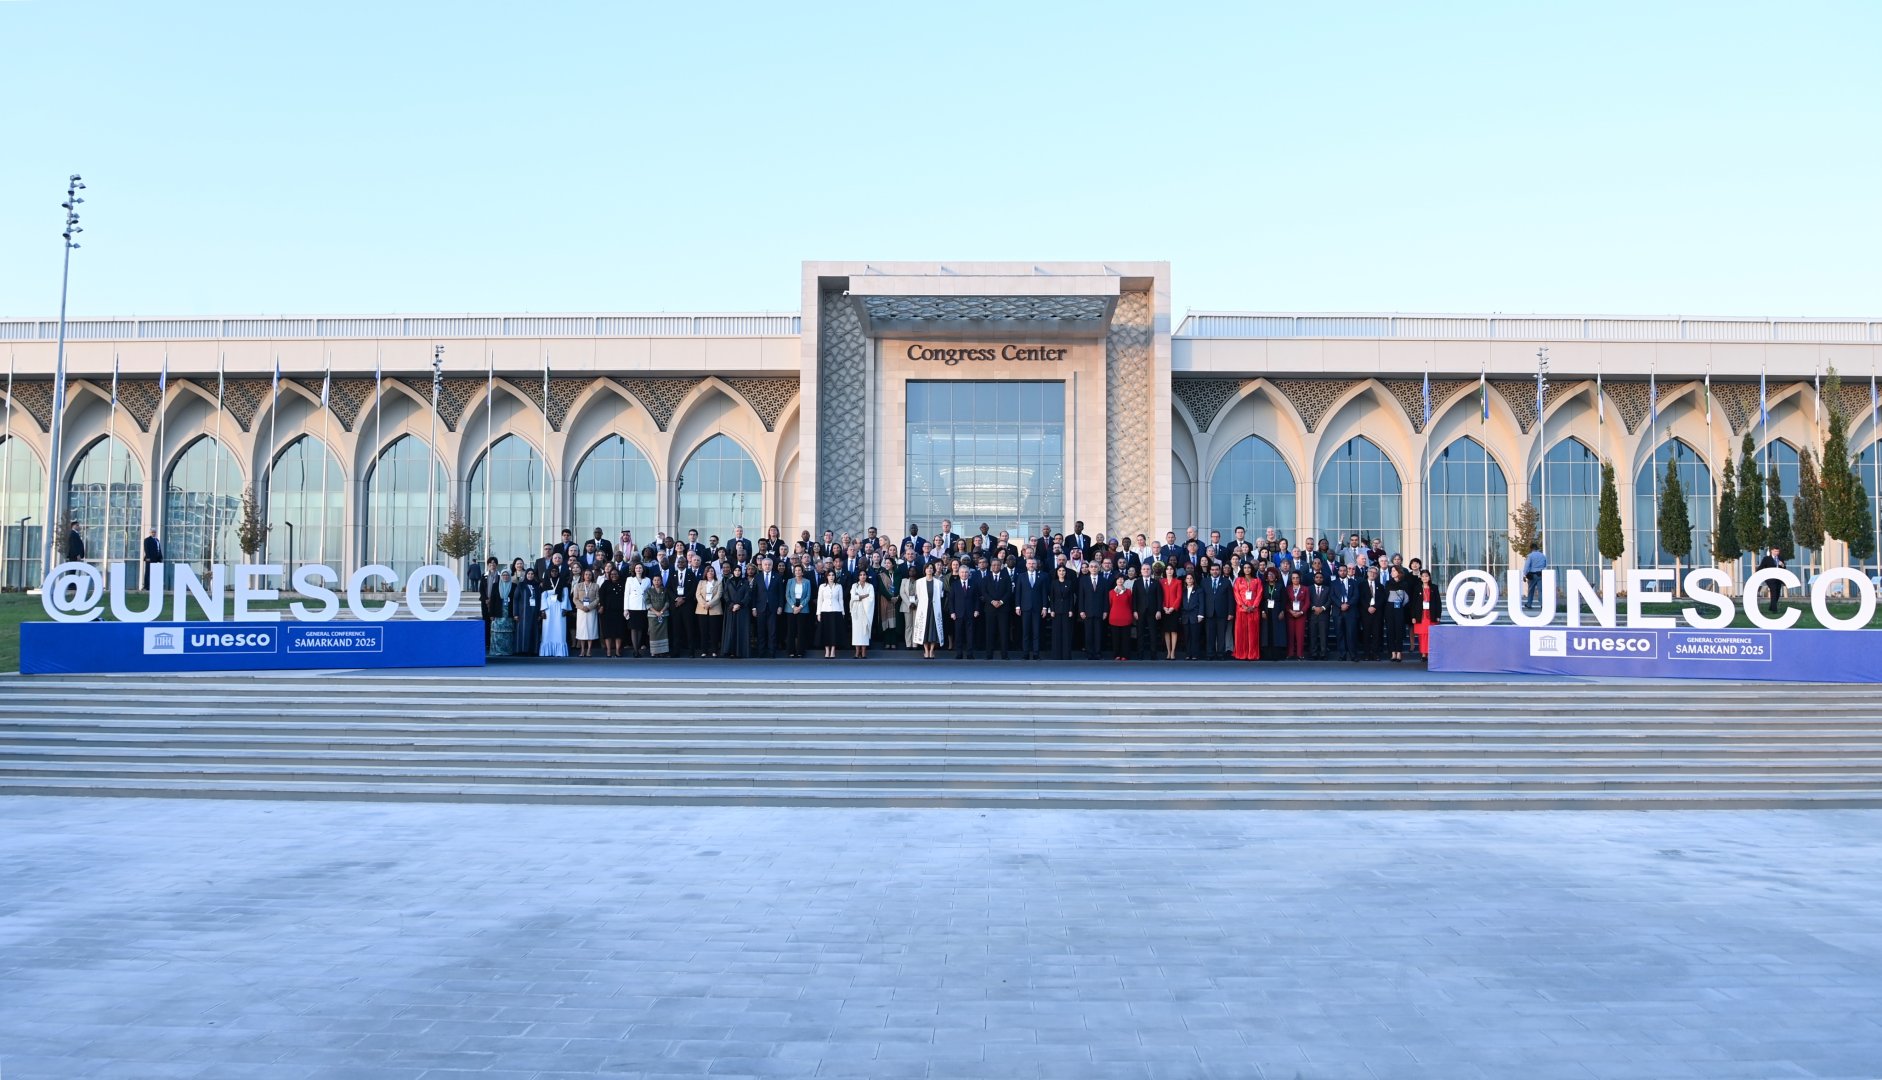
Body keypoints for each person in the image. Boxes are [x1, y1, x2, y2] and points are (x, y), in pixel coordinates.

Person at [909, 561, 943, 659]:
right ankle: (926, 650)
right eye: (928, 568)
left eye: (931, 568)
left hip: (934, 609)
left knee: (933, 629)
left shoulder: (938, 583)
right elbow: (917, 595)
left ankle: (931, 651)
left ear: (933, 570)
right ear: (925, 570)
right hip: (923, 609)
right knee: (924, 629)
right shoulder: (919, 582)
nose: (929, 570)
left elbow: (940, 596)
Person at [946, 564, 978, 659]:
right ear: (959, 574)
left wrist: (976, 610)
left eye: (966, 572)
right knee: (958, 634)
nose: (964, 574)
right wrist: (952, 612)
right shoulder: (954, 584)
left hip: (970, 613)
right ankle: (959, 653)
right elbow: (951, 600)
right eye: (962, 572)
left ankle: (970, 653)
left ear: (969, 573)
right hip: (958, 614)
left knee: (970, 634)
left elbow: (976, 599)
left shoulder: (973, 583)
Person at [753, 558, 783, 659]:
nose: (767, 566)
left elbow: (781, 594)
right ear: (762, 565)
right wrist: (753, 608)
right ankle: (761, 652)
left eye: (769, 565)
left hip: (773, 608)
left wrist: (780, 606)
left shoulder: (777, 577)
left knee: (772, 631)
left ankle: (771, 653)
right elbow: (754, 593)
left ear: (772, 565)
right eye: (765, 564)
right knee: (761, 631)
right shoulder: (757, 577)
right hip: (760, 608)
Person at [721, 564, 753, 659]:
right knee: (731, 630)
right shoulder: (729, 581)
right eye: (735, 570)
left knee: (741, 630)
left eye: (739, 570)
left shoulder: (745, 582)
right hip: (731, 610)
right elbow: (725, 595)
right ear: (732, 572)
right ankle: (730, 651)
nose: (737, 572)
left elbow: (748, 595)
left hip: (742, 610)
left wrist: (740, 605)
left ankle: (741, 652)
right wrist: (732, 605)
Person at [1232, 567, 1262, 661]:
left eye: (1249, 568)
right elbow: (1236, 594)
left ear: (1252, 569)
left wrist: (1254, 606)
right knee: (1240, 633)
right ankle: (1241, 654)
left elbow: (1259, 594)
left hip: (1254, 610)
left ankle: (1252, 654)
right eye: (1245, 568)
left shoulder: (1257, 581)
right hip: (1241, 610)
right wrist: (1243, 606)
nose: (1247, 569)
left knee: (1253, 633)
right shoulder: (1238, 580)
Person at [1410, 568, 1440, 661]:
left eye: (1426, 576)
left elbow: (1438, 602)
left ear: (1429, 577)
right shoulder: (1417, 588)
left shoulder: (1434, 588)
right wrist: (1413, 616)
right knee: (1422, 635)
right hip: (1421, 615)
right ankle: (1423, 654)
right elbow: (1413, 603)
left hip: (1431, 614)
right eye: (1423, 576)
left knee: (1431, 635)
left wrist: (1438, 615)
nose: (1424, 578)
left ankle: (1430, 653)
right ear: (1420, 577)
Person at [511, 569, 542, 656]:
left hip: (534, 612)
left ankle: (532, 650)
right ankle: (521, 650)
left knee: (533, 630)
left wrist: (539, 613)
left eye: (532, 574)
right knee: (523, 630)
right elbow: (516, 599)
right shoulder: (521, 585)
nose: (530, 575)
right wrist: (515, 613)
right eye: (528, 574)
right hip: (523, 612)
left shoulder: (536, 586)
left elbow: (539, 600)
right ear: (526, 575)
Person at [785, 565, 814, 658]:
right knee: (791, 631)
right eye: (796, 570)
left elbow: (808, 596)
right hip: (791, 608)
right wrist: (794, 607)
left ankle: (800, 651)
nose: (797, 572)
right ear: (794, 571)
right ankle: (791, 651)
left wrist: (800, 607)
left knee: (801, 631)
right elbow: (787, 595)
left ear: (802, 572)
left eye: (799, 570)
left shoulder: (807, 582)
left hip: (803, 608)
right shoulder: (790, 581)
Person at [816, 570, 846, 659]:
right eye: (829, 575)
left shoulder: (839, 586)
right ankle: (827, 650)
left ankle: (833, 650)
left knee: (834, 631)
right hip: (825, 611)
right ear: (826, 576)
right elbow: (820, 600)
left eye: (833, 575)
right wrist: (818, 613)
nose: (831, 577)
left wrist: (843, 612)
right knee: (826, 631)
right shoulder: (822, 586)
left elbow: (841, 600)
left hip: (836, 611)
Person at [623, 563, 650, 657]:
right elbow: (626, 594)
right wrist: (625, 609)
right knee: (634, 629)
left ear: (643, 569)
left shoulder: (647, 580)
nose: (638, 569)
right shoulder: (629, 579)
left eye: (640, 568)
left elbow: (648, 593)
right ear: (634, 569)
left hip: (643, 607)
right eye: (637, 568)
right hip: (632, 607)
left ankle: (637, 648)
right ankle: (635, 650)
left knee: (640, 628)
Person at [570, 570, 600, 657]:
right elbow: (575, 599)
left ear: (592, 576)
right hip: (581, 610)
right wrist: (582, 607)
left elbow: (598, 598)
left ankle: (589, 650)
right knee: (582, 630)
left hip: (591, 610)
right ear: (583, 576)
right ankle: (582, 650)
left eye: (589, 575)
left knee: (591, 629)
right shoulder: (578, 586)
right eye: (586, 574)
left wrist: (589, 607)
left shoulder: (596, 586)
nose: (588, 576)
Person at [695, 565, 722, 658]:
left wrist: (709, 604)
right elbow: (698, 595)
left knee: (714, 631)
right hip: (702, 610)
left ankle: (714, 650)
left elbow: (719, 595)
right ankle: (704, 651)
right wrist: (704, 604)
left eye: (712, 571)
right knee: (703, 632)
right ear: (705, 573)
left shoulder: (718, 582)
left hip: (714, 610)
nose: (710, 572)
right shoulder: (701, 582)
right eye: (709, 571)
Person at [538, 578, 570, 658]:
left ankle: (560, 652)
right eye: (552, 571)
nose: (554, 572)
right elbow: (543, 597)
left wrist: (564, 608)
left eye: (556, 571)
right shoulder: (546, 583)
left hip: (559, 607)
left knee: (559, 629)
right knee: (547, 629)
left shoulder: (562, 582)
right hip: (548, 609)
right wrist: (543, 611)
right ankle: (547, 652)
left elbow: (565, 596)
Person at [1107, 572, 1135, 660]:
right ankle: (1117, 654)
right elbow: (1110, 605)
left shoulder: (1128, 592)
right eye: (1118, 579)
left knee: (1125, 638)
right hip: (1114, 618)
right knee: (1115, 638)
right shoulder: (1111, 592)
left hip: (1126, 618)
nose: (1120, 580)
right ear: (1116, 581)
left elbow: (1131, 604)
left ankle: (1125, 655)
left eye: (1122, 579)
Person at [487, 570, 515, 657]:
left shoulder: (514, 586)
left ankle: (507, 651)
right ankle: (496, 651)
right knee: (497, 633)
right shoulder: (496, 586)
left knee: (508, 633)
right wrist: (491, 614)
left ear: (510, 576)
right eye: (503, 575)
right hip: (498, 612)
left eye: (507, 575)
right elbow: (492, 601)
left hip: (509, 612)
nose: (505, 577)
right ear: (501, 576)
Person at [848, 572, 876, 659]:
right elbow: (853, 597)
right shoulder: (854, 585)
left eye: (864, 575)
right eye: (860, 575)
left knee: (865, 630)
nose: (862, 576)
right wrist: (864, 596)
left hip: (866, 610)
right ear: (858, 576)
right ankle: (857, 651)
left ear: (866, 576)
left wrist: (859, 597)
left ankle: (863, 652)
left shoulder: (870, 586)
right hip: (856, 611)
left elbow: (871, 599)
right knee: (856, 631)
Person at [1160, 565, 1185, 660]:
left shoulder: (1178, 582)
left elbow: (1179, 596)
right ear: (1165, 571)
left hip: (1174, 610)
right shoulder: (1162, 582)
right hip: (1164, 609)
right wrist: (1164, 607)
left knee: (1174, 631)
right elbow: (1160, 596)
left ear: (1174, 571)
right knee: (1166, 631)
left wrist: (1173, 607)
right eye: (1167, 569)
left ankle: (1173, 651)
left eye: (1171, 569)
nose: (1169, 571)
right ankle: (1168, 651)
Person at [1285, 570, 1310, 659]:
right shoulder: (1287, 588)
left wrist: (1301, 612)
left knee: (1300, 635)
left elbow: (1307, 602)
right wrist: (1290, 611)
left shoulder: (1305, 589)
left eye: (1297, 578)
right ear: (1291, 579)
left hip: (1301, 615)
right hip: (1290, 615)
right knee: (1290, 634)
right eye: (1293, 578)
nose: (1295, 579)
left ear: (1300, 579)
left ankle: (1300, 654)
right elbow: (1286, 602)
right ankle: (1290, 653)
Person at [645, 571, 670, 658]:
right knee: (653, 633)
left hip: (664, 615)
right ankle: (654, 652)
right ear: (652, 581)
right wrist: (656, 612)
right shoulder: (649, 591)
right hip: (652, 616)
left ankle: (663, 651)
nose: (656, 582)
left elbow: (667, 602)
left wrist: (661, 612)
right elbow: (648, 603)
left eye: (658, 580)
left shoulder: (665, 590)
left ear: (661, 581)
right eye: (655, 580)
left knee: (664, 633)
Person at [1756, 545, 1787, 613]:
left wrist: (1783, 565)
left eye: (1778, 551)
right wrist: (1755, 574)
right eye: (1775, 551)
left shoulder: (1780, 558)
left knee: (1778, 593)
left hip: (1778, 578)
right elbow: (1761, 567)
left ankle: (1771, 606)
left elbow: (1784, 569)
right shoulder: (1766, 558)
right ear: (1771, 551)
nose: (1777, 553)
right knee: (1773, 591)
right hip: (1770, 579)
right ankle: (1774, 610)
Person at [1522, 541, 1547, 610]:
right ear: (1537, 548)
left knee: (1531, 590)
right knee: (1541, 590)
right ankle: (1542, 605)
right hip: (1541, 575)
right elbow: (1545, 565)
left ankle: (1529, 604)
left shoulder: (1530, 556)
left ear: (1531, 548)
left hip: (1532, 575)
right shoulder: (1542, 555)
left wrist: (1524, 575)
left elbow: (1527, 566)